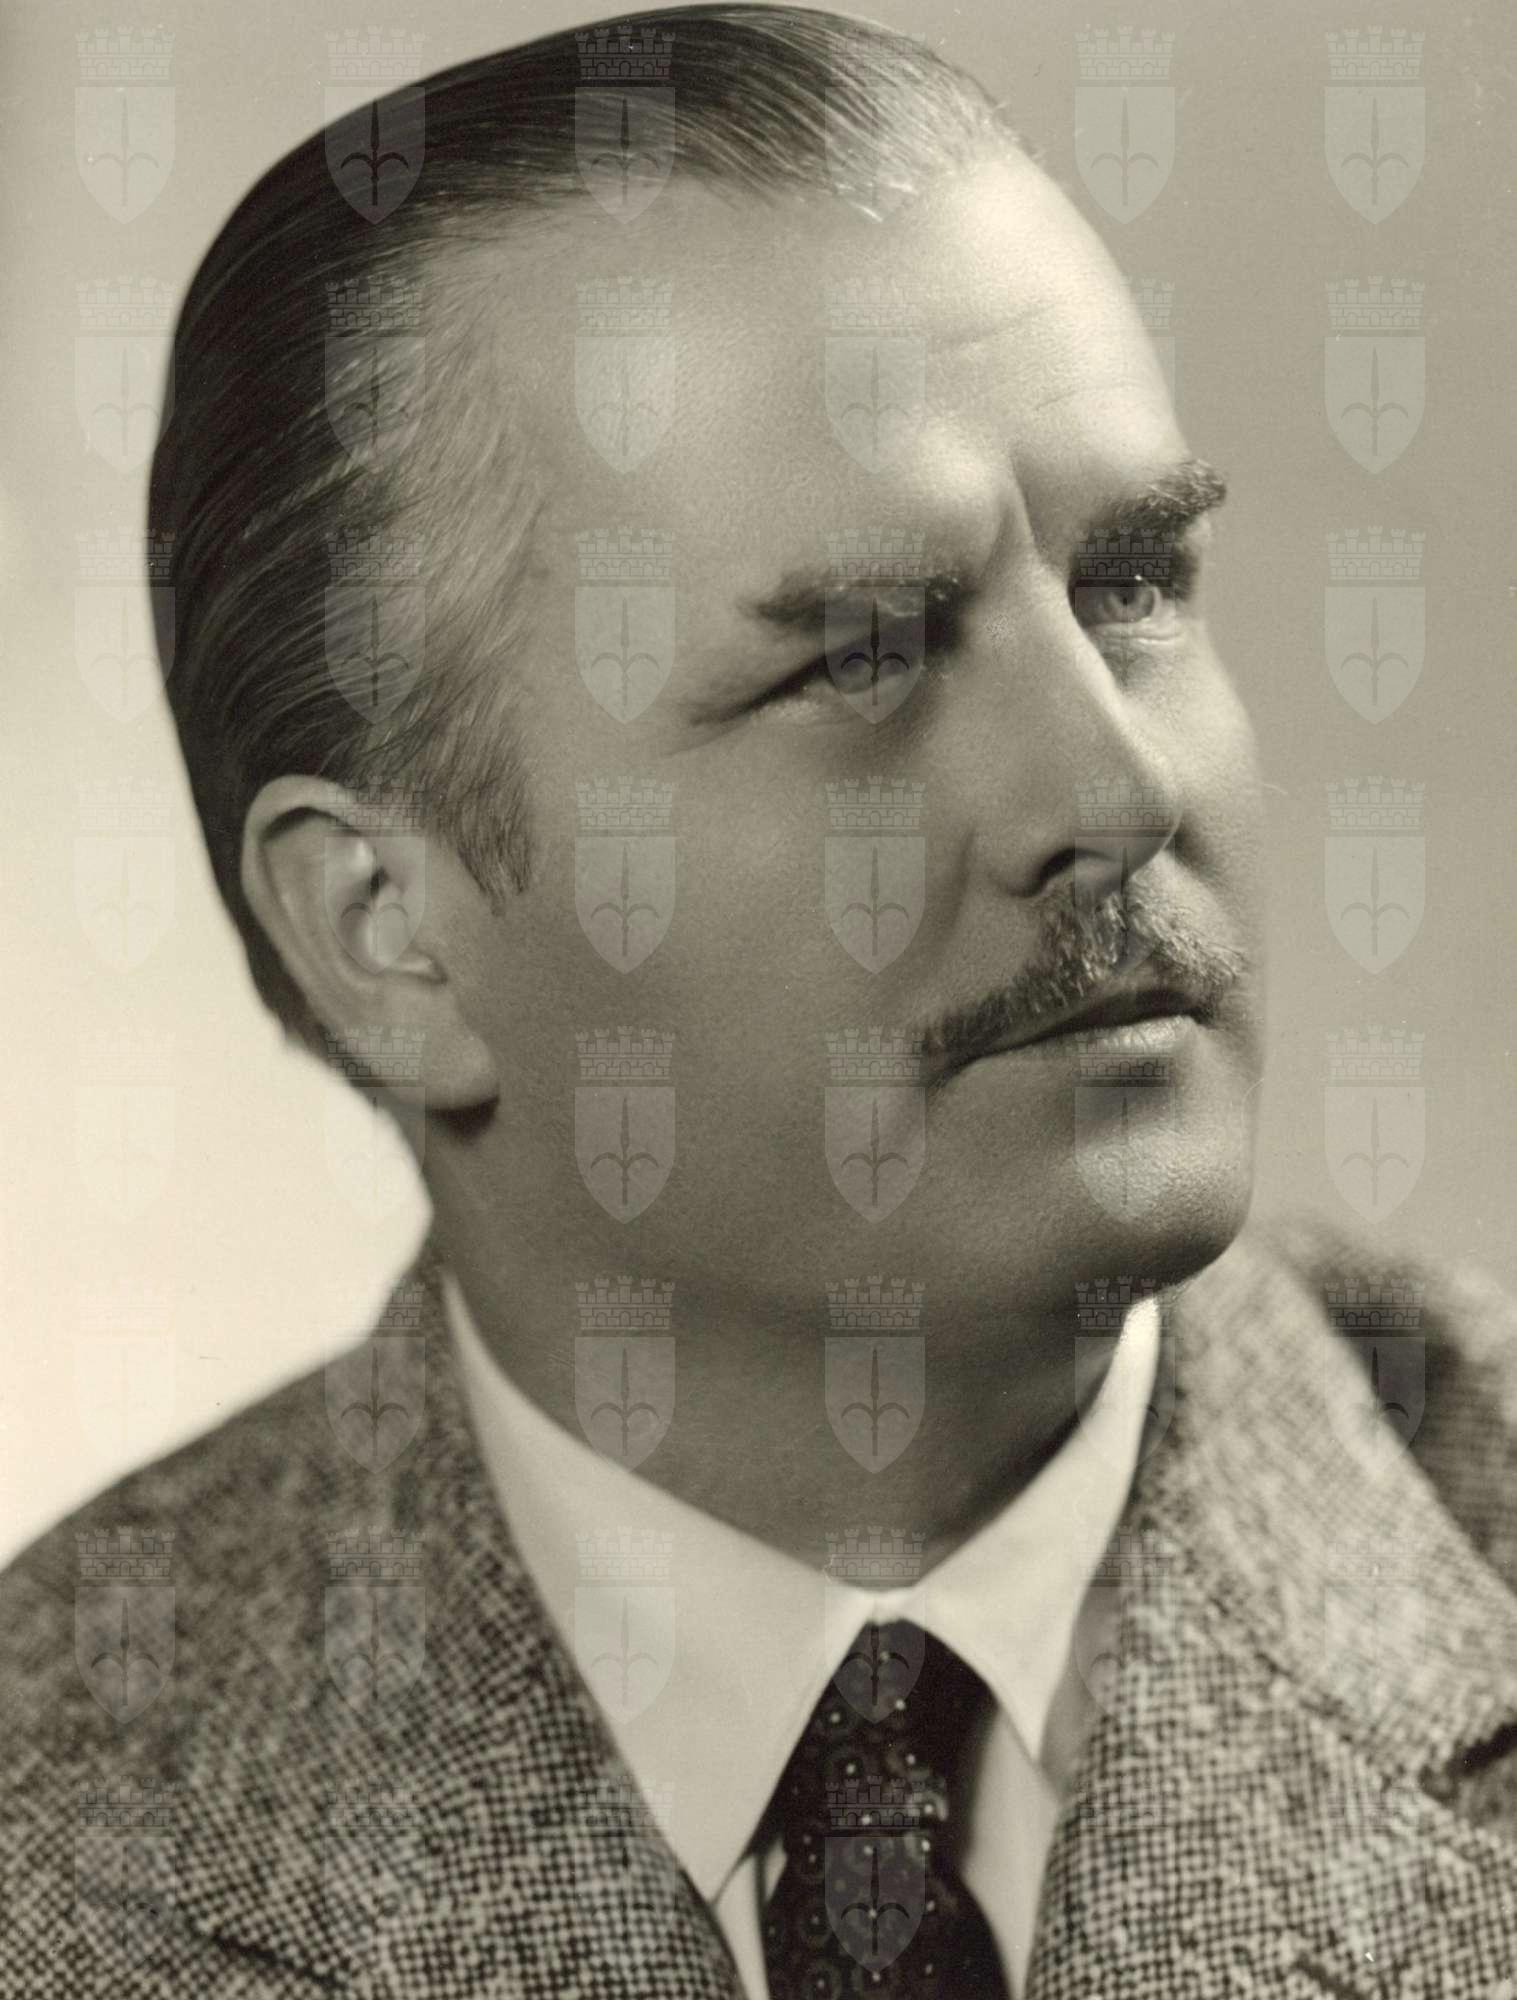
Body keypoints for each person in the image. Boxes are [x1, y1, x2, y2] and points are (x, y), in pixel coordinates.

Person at [6, 7, 1516, 1993]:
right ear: (387, 932)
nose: (1117, 788)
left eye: (1133, 584)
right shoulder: (57, 1844)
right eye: (862, 658)